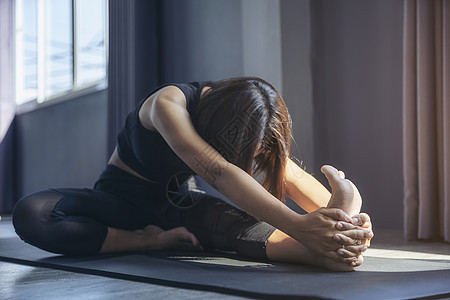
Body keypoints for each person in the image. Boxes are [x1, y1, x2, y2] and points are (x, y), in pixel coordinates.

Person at [12, 77, 373, 272]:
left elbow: (293, 179)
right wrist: (300, 225)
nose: (251, 163)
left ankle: (321, 255)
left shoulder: (249, 124)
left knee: (238, 230)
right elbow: (219, 172)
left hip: (180, 207)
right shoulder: (170, 104)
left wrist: (348, 221)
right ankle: (145, 240)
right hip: (120, 202)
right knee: (33, 213)